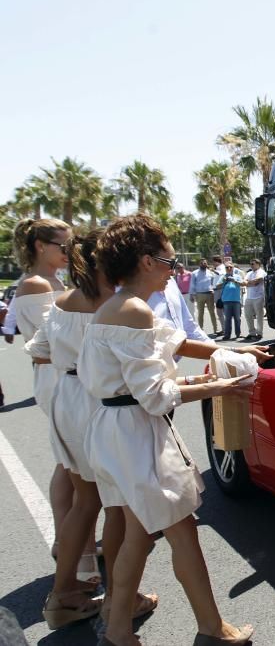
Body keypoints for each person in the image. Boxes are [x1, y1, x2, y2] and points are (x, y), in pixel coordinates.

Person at [78, 214, 255, 646]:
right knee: (182, 532)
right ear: (144, 261)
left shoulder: (113, 307)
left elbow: (169, 348)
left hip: (112, 431)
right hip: (137, 435)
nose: (173, 269)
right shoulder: (134, 310)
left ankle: (117, 630)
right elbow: (155, 397)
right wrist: (221, 385)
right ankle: (213, 630)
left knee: (138, 535)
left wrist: (233, 352)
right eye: (167, 260)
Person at [26, 230, 159, 633]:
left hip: (65, 398)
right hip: (95, 403)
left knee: (85, 503)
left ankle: (62, 594)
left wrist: (69, 361)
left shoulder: (63, 300)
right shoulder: (115, 306)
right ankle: (123, 600)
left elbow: (37, 349)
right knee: (117, 506)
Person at [10, 219, 100, 584]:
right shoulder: (34, 285)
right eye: (63, 246)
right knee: (73, 466)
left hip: (65, 373)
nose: (69, 252)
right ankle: (76, 552)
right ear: (39, 246)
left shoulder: (55, 282)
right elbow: (54, 339)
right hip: (56, 376)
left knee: (71, 466)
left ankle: (73, 544)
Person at [215, 263, 245, 340]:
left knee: (237, 318)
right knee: (227, 319)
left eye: (230, 267)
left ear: (233, 268)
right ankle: (227, 334)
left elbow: (243, 283)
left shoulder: (237, 276)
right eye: (227, 267)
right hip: (226, 300)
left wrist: (234, 280)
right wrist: (224, 281)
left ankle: (238, 333)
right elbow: (217, 286)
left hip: (236, 300)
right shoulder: (223, 277)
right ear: (225, 269)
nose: (229, 268)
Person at [190, 258, 218, 334]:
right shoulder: (194, 273)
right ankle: (201, 329)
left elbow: (214, 282)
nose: (204, 264)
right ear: (199, 264)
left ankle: (216, 329)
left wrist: (213, 290)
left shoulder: (210, 273)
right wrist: (191, 294)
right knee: (200, 313)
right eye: (202, 263)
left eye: (205, 263)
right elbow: (192, 284)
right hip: (199, 295)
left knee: (212, 312)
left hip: (209, 294)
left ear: (207, 264)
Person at [243, 258, 266, 340]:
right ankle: (252, 333)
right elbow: (244, 282)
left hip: (258, 297)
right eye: (250, 264)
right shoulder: (249, 273)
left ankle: (259, 333)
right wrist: (250, 283)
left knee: (259, 316)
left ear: (258, 264)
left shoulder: (261, 272)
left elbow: (257, 282)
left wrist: (248, 283)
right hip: (249, 297)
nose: (251, 265)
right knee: (248, 315)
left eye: (253, 264)